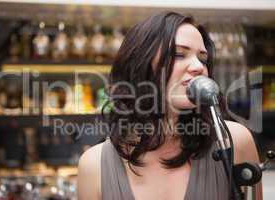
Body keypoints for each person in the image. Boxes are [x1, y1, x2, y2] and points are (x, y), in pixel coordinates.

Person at [77, 11, 262, 200]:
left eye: (203, 58)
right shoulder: (93, 166)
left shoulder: (235, 141)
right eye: (179, 54)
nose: (199, 66)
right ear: (139, 65)